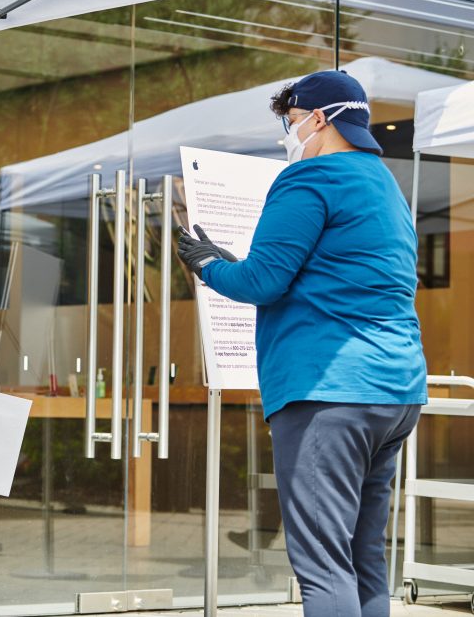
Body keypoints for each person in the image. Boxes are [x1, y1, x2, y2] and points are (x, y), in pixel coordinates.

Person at [177, 70, 426, 617]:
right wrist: (232, 263)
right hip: (397, 392)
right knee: (364, 559)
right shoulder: (384, 183)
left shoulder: (309, 179)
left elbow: (263, 282)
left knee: (322, 567)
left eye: (290, 123)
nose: (288, 136)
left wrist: (207, 266)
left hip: (328, 394)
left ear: (319, 119)